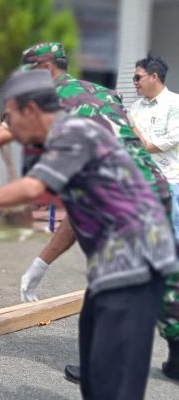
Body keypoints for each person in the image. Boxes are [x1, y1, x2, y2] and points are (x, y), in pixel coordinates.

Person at [0, 41, 178, 383]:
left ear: (44, 69)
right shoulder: (103, 94)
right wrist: (42, 261)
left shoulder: (52, 104)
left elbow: (16, 166)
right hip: (148, 189)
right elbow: (130, 141)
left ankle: (105, 368)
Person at [129, 55, 179, 380]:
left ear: (155, 76)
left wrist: (134, 134)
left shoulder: (175, 105)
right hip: (140, 186)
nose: (134, 82)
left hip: (171, 184)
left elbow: (155, 145)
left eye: (138, 77)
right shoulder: (136, 107)